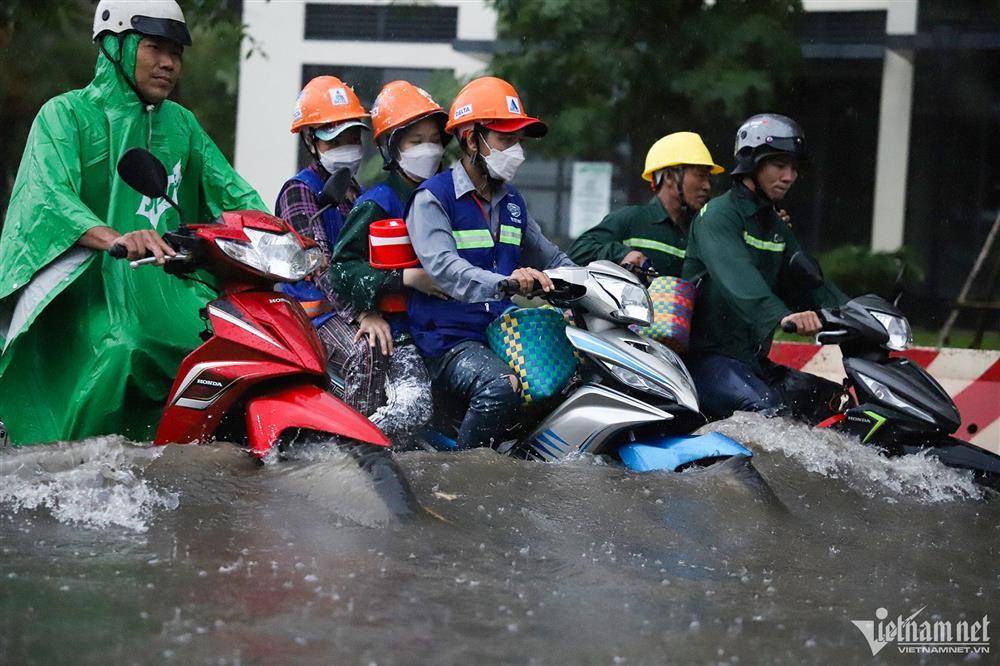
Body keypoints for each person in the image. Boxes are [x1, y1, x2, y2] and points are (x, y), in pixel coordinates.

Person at [0, 0, 266, 445]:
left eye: (176, 52)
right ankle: (73, 468)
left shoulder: (182, 123)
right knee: (126, 345)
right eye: (154, 48)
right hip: (87, 292)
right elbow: (50, 200)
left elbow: (235, 194)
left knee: (237, 348)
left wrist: (284, 238)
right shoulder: (64, 115)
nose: (168, 63)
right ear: (116, 46)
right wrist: (116, 238)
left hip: (176, 292)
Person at [405, 76, 576, 450]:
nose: (516, 151)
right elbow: (444, 269)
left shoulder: (513, 203)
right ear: (471, 139)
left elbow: (551, 256)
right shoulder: (434, 198)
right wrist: (507, 283)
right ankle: (461, 480)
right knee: (501, 387)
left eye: (519, 141)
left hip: (499, 337)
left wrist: (592, 287)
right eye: (505, 140)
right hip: (445, 344)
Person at [681, 113, 847, 421]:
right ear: (751, 163)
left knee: (833, 405)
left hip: (752, 363)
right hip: (706, 361)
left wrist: (857, 314)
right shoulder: (718, 216)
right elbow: (739, 280)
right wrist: (782, 315)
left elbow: (810, 282)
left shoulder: (775, 227)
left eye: (794, 168)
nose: (790, 176)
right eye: (780, 165)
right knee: (770, 417)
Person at [325, 80, 451, 440]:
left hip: (446, 332)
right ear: (392, 149)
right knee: (414, 408)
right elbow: (342, 271)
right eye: (416, 141)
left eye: (435, 139)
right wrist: (405, 279)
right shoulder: (377, 203)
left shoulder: (449, 199)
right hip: (402, 335)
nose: (429, 149)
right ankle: (351, 454)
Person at [274, 76, 387, 419]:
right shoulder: (299, 192)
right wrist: (362, 313)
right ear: (310, 140)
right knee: (368, 350)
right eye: (335, 138)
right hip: (315, 317)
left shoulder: (356, 191)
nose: (347, 145)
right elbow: (319, 264)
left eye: (352, 137)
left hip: (348, 310)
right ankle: (355, 445)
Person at [570, 132, 723, 277]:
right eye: (700, 176)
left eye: (708, 179)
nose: (707, 186)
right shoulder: (632, 220)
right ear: (669, 177)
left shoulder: (702, 231)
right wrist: (622, 254)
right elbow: (578, 251)